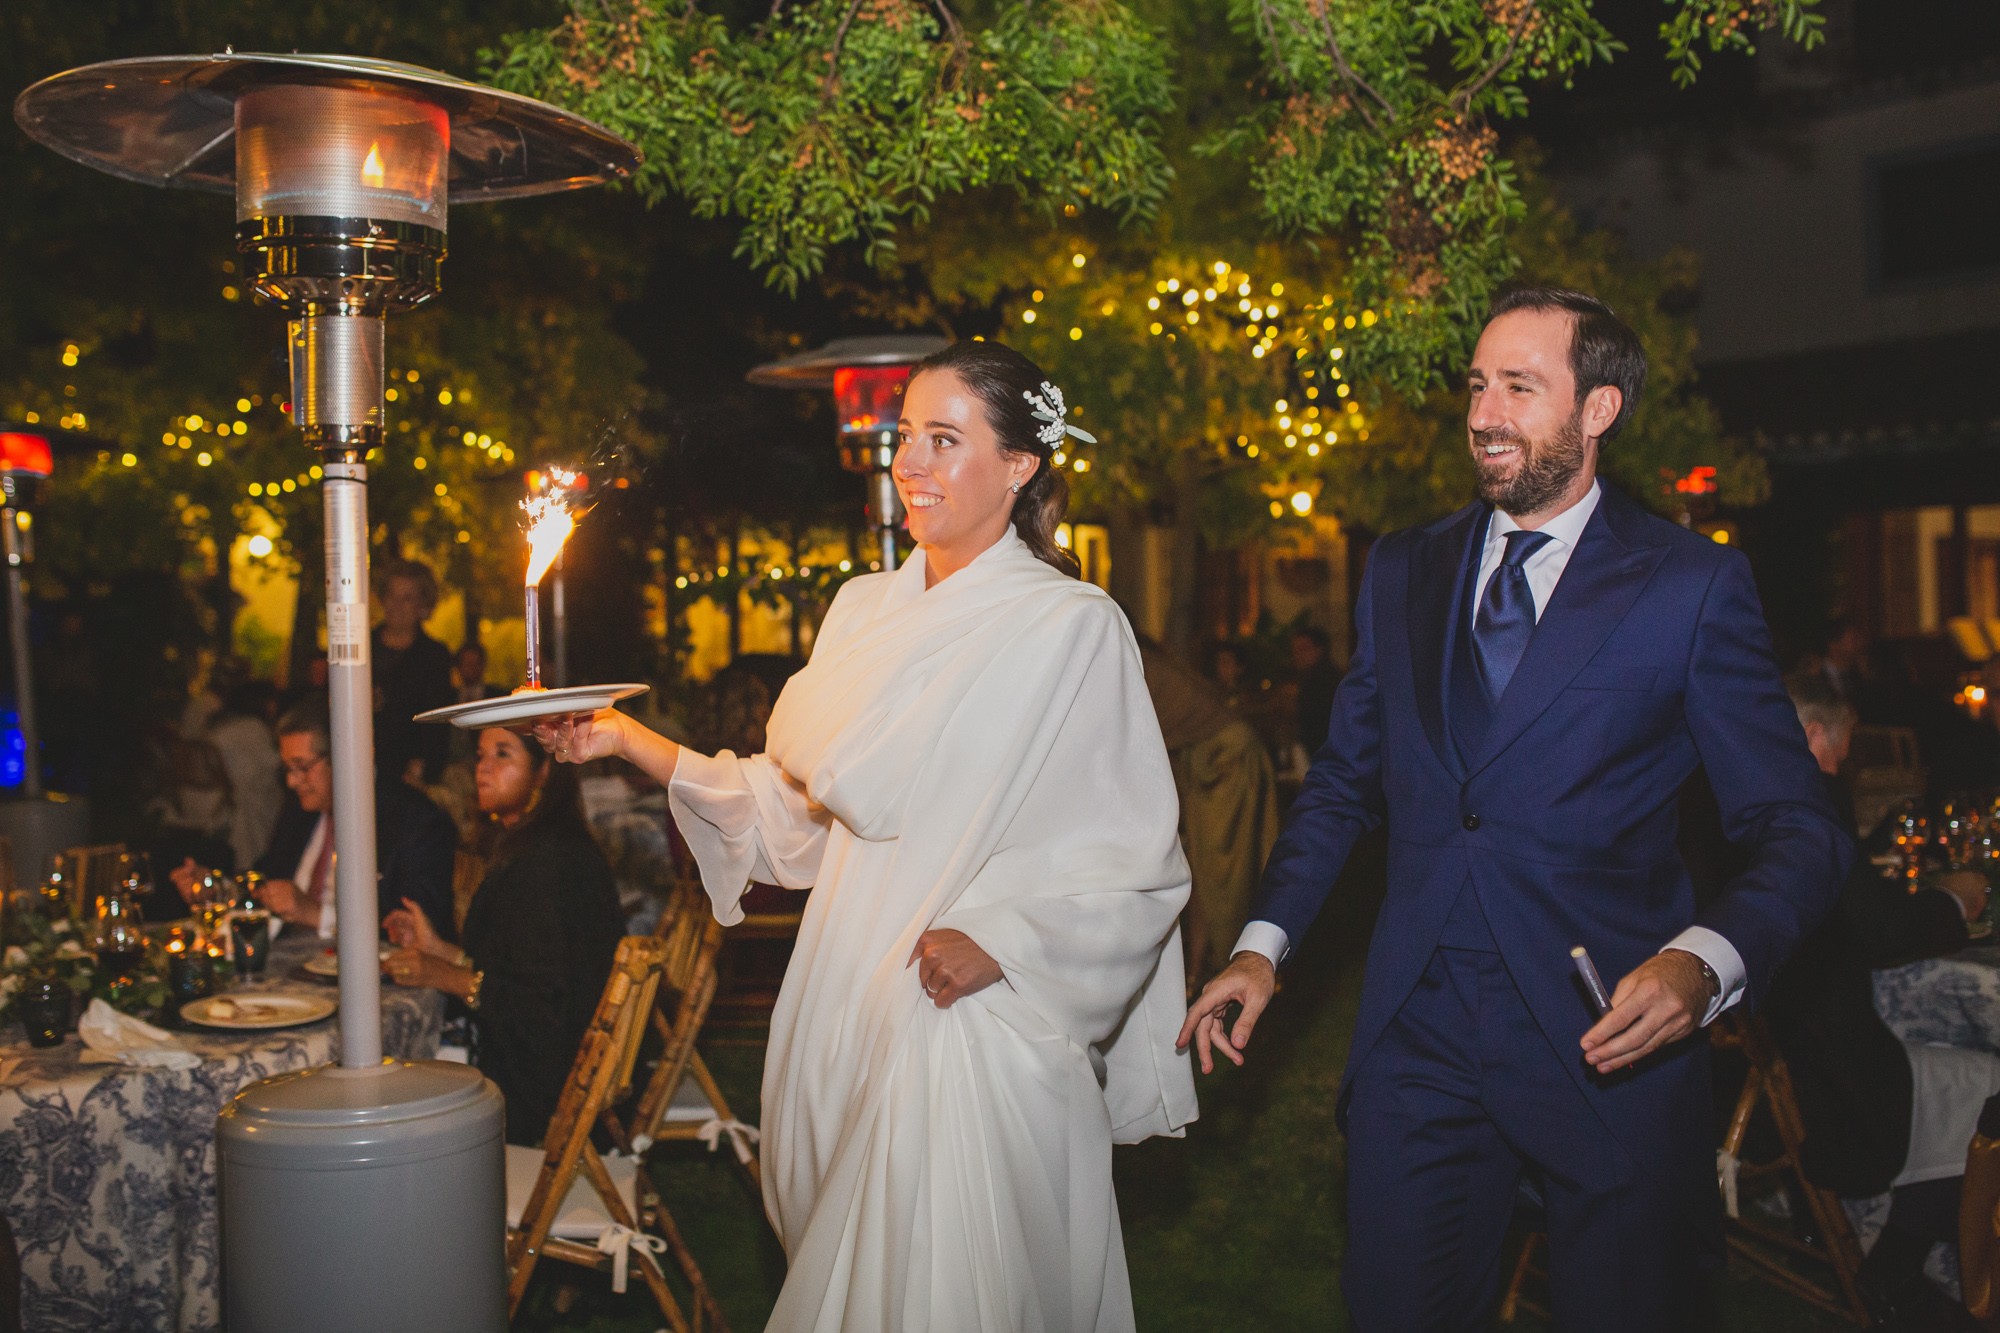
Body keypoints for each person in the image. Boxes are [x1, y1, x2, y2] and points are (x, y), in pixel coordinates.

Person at [1181, 287, 1852, 1329]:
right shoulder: (1403, 568)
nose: (1484, 413)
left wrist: (1702, 961)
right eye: (1477, 384)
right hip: (1420, 1029)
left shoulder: (1689, 585)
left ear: (1596, 410)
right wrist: (1261, 946)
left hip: (1605, 1035)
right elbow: (1347, 784)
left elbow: (1796, 828)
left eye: (1519, 387)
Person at [538, 340, 1196, 1331]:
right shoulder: (858, 612)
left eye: (944, 439)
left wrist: (1007, 945)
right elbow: (795, 820)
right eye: (904, 439)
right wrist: (626, 740)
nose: (910, 466)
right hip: (838, 997)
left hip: (969, 1027)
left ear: (1019, 466)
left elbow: (1128, 858)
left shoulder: (1070, 628)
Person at [1765, 674, 1990, 1330]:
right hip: (1840, 1078)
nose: (1844, 763)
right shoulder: (1797, 813)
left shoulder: (1752, 805)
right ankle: (1900, 1263)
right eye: (1842, 748)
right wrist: (1953, 903)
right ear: (1811, 737)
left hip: (1817, 1049)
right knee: (1990, 1089)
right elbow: (1879, 925)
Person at [381, 727, 622, 1146]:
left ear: (543, 772)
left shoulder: (548, 862)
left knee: (390, 1097)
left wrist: (444, 976)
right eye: (480, 755)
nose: (483, 769)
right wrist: (439, 950)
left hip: (542, 1097)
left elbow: (538, 1003)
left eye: (503, 755)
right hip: (544, 1073)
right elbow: (516, 964)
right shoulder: (534, 845)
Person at [172, 695, 458, 942]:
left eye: (302, 767)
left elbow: (417, 928)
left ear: (347, 756)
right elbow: (267, 878)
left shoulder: (416, 821)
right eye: (286, 769)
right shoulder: (301, 811)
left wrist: (316, 914)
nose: (292, 781)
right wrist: (216, 888)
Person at [1137, 638, 1280, 980]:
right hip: (1204, 762)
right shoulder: (1145, 656)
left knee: (1222, 872)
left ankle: (1238, 962)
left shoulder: (1134, 662)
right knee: (1201, 869)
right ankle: (1198, 968)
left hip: (1225, 763)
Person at [372, 559, 454, 784]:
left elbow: (440, 720)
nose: (397, 605)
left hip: (411, 779)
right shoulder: (360, 650)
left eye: (407, 598)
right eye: (392, 596)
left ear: (423, 605)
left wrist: (428, 767)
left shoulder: (434, 656)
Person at [1288, 625, 1342, 756]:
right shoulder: (1309, 678)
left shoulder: (1325, 680)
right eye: (1295, 650)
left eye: (1303, 649)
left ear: (1319, 650)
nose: (1298, 655)